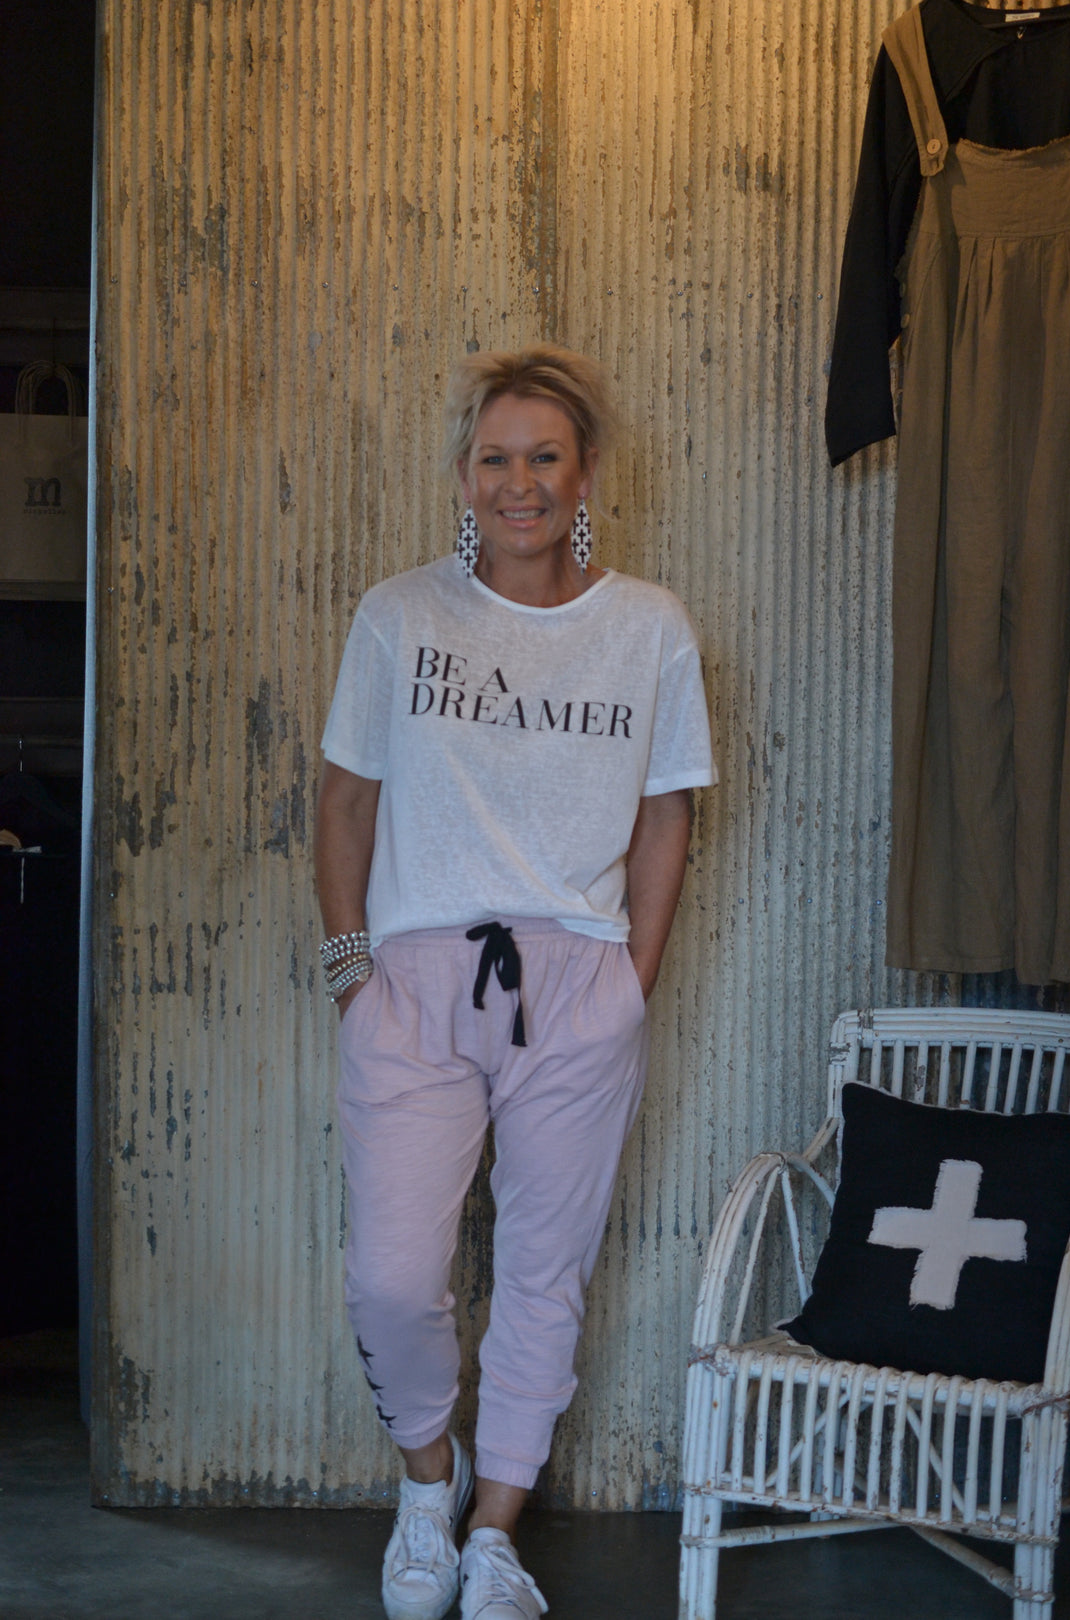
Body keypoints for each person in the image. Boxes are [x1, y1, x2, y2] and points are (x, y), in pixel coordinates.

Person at [315, 344, 716, 1620]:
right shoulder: (399, 616)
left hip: (578, 986)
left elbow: (667, 815)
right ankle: (425, 1489)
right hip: (417, 979)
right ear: (463, 474)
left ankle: (495, 1536)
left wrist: (630, 982)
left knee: (545, 1274)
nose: (520, 482)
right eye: (496, 458)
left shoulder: (648, 628)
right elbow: (344, 798)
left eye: (545, 456)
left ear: (584, 473)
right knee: (393, 1277)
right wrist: (352, 972)